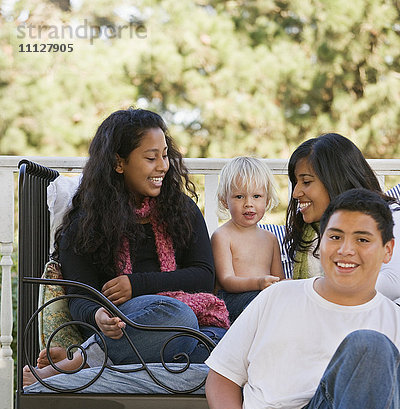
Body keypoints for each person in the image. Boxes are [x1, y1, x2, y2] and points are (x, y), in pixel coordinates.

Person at [147, 189, 400, 409]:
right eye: (336, 237)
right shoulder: (278, 297)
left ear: (387, 250)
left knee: (368, 344)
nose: (346, 250)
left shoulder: (393, 320)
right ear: (322, 242)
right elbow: (223, 374)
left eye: (363, 239)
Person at [23, 108, 229, 386]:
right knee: (178, 317)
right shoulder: (87, 223)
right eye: (150, 158)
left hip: (185, 322)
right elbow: (79, 296)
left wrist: (136, 284)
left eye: (165, 155)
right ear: (119, 163)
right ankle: (79, 362)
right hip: (125, 325)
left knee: (213, 340)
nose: (163, 166)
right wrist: (98, 315)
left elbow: (204, 276)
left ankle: (79, 360)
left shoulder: (181, 209)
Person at [285, 133, 400, 300]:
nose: (295, 193)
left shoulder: (390, 215)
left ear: (335, 179)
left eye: (306, 182)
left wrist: (317, 289)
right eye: (295, 183)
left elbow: (394, 282)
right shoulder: (307, 230)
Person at [211, 156, 285, 323]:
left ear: (267, 200)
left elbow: (278, 279)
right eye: (239, 197)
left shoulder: (270, 239)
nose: (248, 204)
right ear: (224, 200)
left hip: (263, 298)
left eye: (257, 196)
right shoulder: (222, 236)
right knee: (260, 304)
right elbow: (226, 281)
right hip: (232, 300)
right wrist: (259, 283)